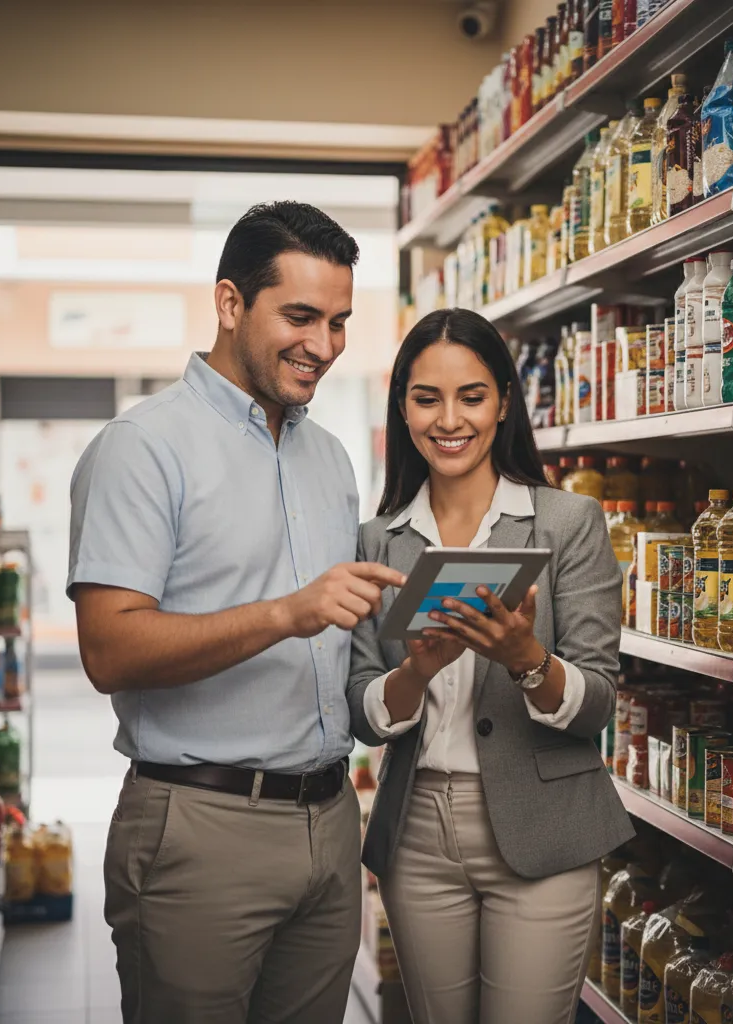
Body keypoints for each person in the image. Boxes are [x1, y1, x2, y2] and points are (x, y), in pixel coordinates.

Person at [67, 201, 404, 1024]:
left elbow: (346, 643)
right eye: (299, 316)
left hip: (328, 824)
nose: (322, 346)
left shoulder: (330, 459)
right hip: (198, 828)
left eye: (339, 321)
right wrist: (287, 613)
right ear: (229, 304)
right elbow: (109, 650)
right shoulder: (143, 447)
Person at [347, 307, 635, 1024]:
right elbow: (359, 707)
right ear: (402, 409)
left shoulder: (567, 523)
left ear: (504, 402)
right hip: (417, 830)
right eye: (426, 397)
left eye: (471, 396)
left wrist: (527, 660)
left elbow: (598, 702)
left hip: (544, 826)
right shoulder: (376, 541)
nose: (450, 419)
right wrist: (414, 672)